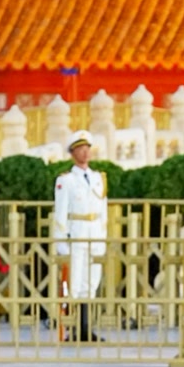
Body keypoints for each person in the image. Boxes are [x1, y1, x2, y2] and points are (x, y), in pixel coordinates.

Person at [52, 130, 108, 342]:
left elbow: (103, 210)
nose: (85, 153)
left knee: (91, 281)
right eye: (80, 149)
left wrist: (103, 236)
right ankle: (73, 328)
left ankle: (87, 327)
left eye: (87, 149)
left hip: (94, 232)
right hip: (76, 232)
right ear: (72, 153)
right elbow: (60, 214)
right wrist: (61, 242)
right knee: (74, 283)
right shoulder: (66, 180)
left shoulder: (97, 178)